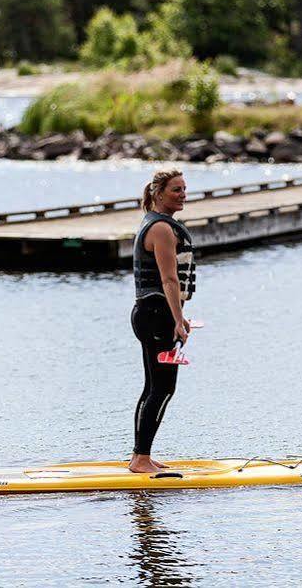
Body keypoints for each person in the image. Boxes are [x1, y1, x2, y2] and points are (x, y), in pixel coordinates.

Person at [129, 169, 196, 473]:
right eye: (175, 190)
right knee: (163, 387)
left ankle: (140, 455)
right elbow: (169, 280)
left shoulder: (155, 224)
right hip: (156, 315)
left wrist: (178, 317)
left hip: (151, 313)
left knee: (154, 386)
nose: (182, 194)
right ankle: (141, 458)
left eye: (184, 189)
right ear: (158, 193)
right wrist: (178, 320)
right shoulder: (161, 229)